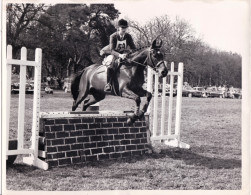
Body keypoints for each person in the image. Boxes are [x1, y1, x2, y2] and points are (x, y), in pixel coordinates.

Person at [101, 19, 136, 92]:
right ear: (118, 28)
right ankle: (108, 84)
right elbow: (112, 50)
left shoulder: (128, 36)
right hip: (111, 53)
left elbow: (133, 48)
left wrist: (129, 53)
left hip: (122, 54)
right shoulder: (113, 36)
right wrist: (120, 55)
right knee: (111, 63)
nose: (124, 29)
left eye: (125, 28)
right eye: (122, 28)